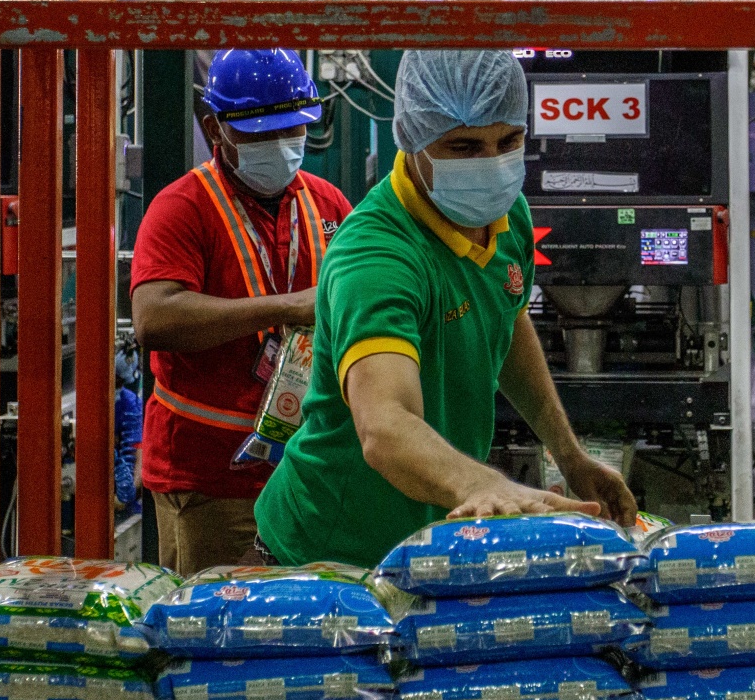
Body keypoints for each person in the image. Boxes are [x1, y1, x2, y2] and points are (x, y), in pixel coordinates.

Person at [255, 49, 637, 568]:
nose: (491, 163)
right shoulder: (376, 255)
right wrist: (483, 483)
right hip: (331, 552)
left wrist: (567, 454)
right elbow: (384, 425)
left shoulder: (509, 215)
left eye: (509, 142)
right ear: (413, 139)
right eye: (463, 146)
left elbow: (506, 317)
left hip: (432, 539)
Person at [128, 48, 352, 573]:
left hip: (307, 473)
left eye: (292, 130)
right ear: (215, 129)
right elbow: (154, 318)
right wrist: (284, 307)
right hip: (212, 478)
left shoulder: (328, 206)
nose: (280, 145)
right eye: (258, 133)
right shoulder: (183, 208)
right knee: (215, 629)